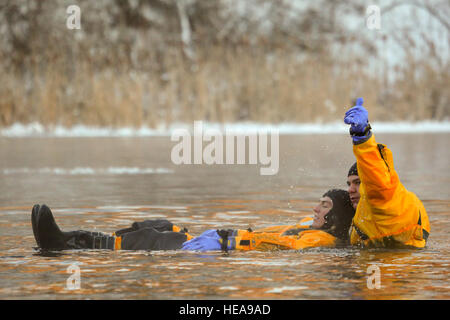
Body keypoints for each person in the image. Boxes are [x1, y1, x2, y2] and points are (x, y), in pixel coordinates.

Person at [31, 189, 355, 252]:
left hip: (219, 247)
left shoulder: (319, 239)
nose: (315, 209)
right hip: (215, 238)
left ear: (334, 217)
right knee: (158, 225)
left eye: (324, 206)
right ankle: (80, 239)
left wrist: (232, 238)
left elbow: (286, 244)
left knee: (152, 239)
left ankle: (63, 243)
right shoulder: (311, 224)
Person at [343, 97, 430, 248]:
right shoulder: (362, 215)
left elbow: (376, 181)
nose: (350, 189)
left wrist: (362, 138)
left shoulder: (389, 199)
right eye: (349, 183)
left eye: (358, 182)